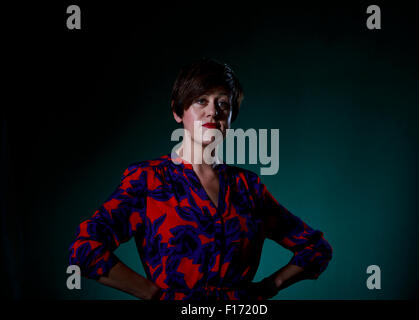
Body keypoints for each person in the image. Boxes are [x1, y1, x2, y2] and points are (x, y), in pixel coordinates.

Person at [68, 58, 333, 300]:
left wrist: (269, 287)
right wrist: (153, 295)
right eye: (200, 101)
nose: (212, 112)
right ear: (177, 111)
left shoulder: (248, 187)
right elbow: (85, 249)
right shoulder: (147, 180)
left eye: (223, 103)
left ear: (230, 117)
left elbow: (315, 248)